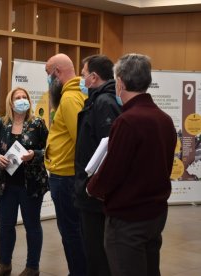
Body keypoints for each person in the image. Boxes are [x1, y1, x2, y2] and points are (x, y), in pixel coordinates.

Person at [86, 53, 177, 276]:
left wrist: (92, 187)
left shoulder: (127, 121)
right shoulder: (164, 119)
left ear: (120, 83)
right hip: (154, 214)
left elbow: (112, 171)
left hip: (128, 218)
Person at [0, 87, 49, 276]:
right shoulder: (1, 124)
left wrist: (34, 155)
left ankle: (32, 267)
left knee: (32, 225)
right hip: (6, 185)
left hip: (30, 185)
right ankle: (4, 265)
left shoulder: (37, 124)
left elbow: (50, 150)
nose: (22, 100)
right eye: (18, 98)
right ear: (10, 102)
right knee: (6, 226)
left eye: (24, 97)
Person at [74, 54, 121, 276]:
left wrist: (91, 186)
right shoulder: (99, 100)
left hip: (95, 193)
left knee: (97, 253)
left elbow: (108, 151)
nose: (81, 80)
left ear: (93, 77)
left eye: (83, 75)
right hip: (91, 189)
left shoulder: (104, 103)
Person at [45, 53, 87, 275]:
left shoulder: (70, 98)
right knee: (76, 230)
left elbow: (79, 138)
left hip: (65, 177)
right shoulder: (77, 93)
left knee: (71, 232)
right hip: (69, 176)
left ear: (57, 73)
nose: (48, 81)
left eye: (48, 75)